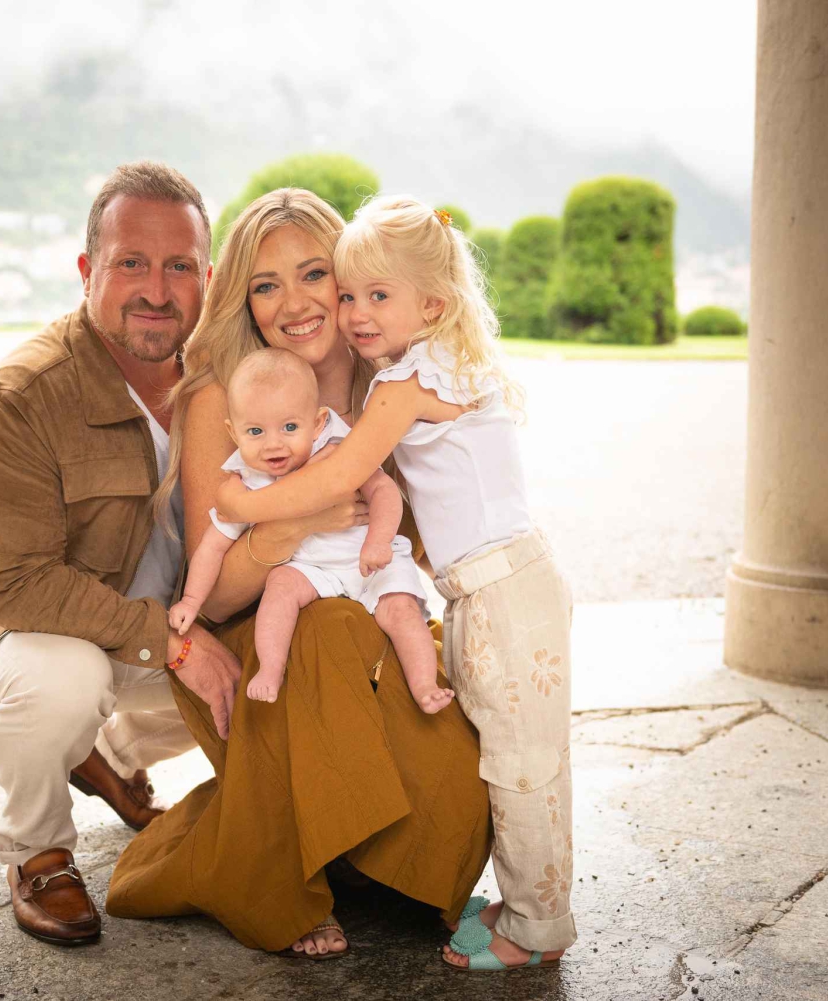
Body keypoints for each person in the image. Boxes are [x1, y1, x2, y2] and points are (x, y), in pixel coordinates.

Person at [105, 188, 491, 959]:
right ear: (243, 299)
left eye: (314, 274)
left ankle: (387, 854)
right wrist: (293, 525)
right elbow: (211, 589)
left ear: (346, 278)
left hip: (375, 609)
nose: (294, 303)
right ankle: (278, 880)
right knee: (323, 629)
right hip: (257, 634)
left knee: (427, 710)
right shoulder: (228, 389)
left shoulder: (391, 377)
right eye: (265, 284)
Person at [214, 196, 575, 971]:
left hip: (503, 591)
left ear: (432, 304)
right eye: (350, 293)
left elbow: (342, 476)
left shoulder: (401, 388)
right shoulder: (436, 365)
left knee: (521, 761)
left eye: (378, 295)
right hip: (491, 586)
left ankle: (536, 929)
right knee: (510, 752)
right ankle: (524, 904)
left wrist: (239, 500)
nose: (353, 312)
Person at [0, 161, 242, 946]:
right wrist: (173, 642)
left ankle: (107, 754)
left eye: (177, 267)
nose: (156, 290)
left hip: (145, 632)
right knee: (63, 676)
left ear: (206, 277)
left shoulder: (229, 383)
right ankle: (38, 853)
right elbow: (17, 586)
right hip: (10, 636)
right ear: (87, 270)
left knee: (280, 661)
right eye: (130, 262)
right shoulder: (24, 396)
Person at [170, 347, 452, 712]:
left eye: (290, 427)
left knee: (400, 611)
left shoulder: (338, 450)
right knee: (280, 586)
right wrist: (191, 601)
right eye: (255, 431)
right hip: (313, 570)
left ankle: (424, 685)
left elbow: (384, 491)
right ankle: (271, 670)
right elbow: (211, 547)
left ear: (318, 423)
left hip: (368, 557)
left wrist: (379, 541)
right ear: (233, 432)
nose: (274, 443)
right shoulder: (247, 480)